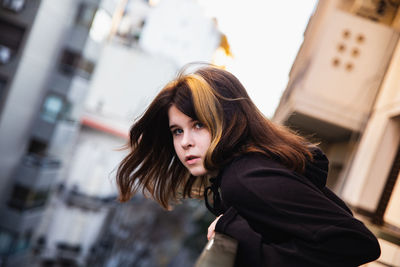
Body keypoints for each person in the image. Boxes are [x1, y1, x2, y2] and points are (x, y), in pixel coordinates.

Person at [116, 65, 380, 266]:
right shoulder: (248, 171)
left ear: (228, 120)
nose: (185, 142)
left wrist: (233, 230)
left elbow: (357, 243)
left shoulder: (243, 178)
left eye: (198, 124)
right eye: (176, 131)